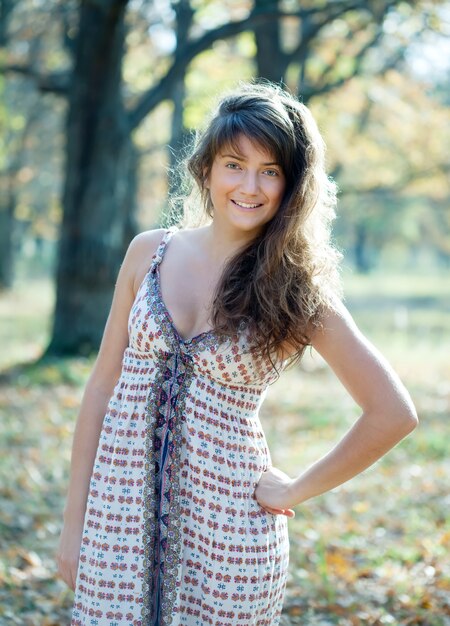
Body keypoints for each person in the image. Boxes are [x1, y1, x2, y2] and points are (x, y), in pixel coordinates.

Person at [57, 81, 418, 626]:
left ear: (291, 187)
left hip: (232, 546)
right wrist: (73, 525)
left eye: (270, 170)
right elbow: (102, 387)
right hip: (116, 527)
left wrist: (297, 487)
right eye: (234, 164)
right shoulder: (147, 254)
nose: (250, 186)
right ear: (206, 170)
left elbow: (393, 412)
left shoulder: (295, 291)